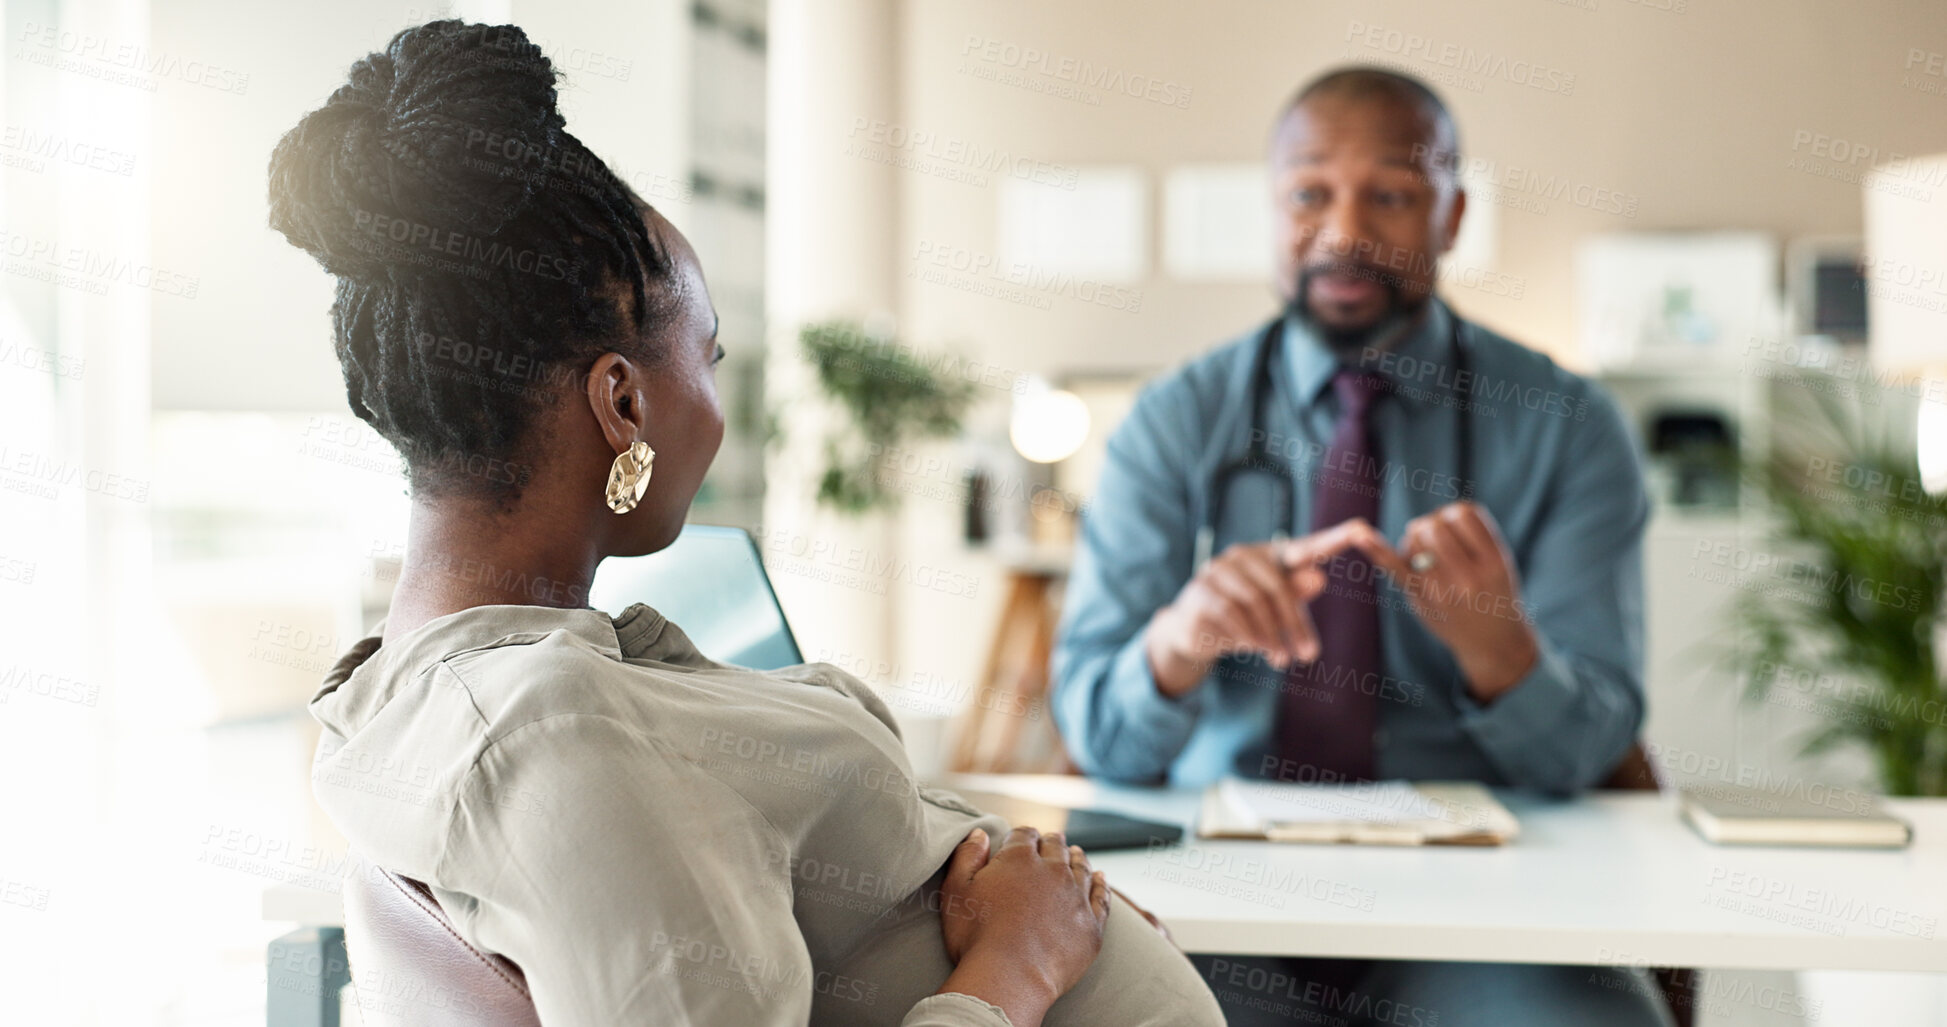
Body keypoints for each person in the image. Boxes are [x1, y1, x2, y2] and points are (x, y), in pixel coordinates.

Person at [272, 21, 1223, 1027]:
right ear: (622, 404)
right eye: (711, 355)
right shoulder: (557, 736)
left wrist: (1055, 925)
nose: (719, 401)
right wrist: (1018, 966)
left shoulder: (468, 684)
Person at [1050, 67, 1672, 1026]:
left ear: (1452, 215)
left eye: (1390, 192)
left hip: (1487, 913)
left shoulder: (1567, 425)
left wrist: (1501, 651)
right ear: (1269, 210)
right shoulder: (1172, 420)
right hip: (1215, 904)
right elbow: (1094, 729)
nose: (1343, 230)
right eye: (1308, 193)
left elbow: (1595, 749)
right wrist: (1179, 642)